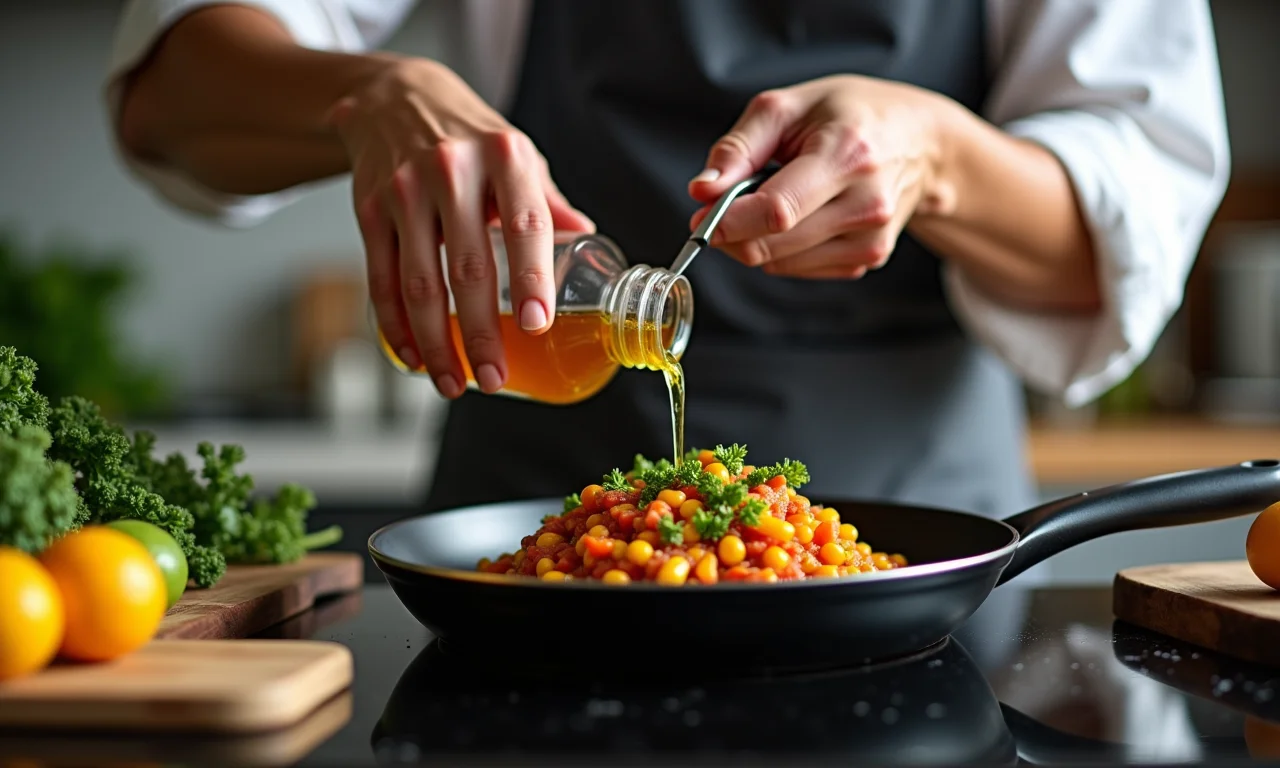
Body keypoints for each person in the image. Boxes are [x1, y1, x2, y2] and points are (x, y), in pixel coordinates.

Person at [104, 0, 1229, 530]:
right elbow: (165, 98)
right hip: (531, 549)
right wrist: (369, 95)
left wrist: (937, 161)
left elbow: (1131, 239)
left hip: (919, 541)